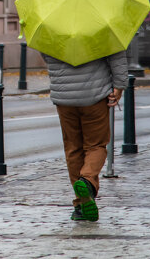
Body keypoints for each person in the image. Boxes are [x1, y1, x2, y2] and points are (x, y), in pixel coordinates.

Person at [41, 48, 127, 223]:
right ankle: (87, 181)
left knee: (73, 148)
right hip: (94, 95)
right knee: (96, 145)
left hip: (64, 97)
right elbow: (116, 53)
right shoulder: (99, 23)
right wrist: (119, 85)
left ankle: (80, 206)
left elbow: (46, 53)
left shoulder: (51, 25)